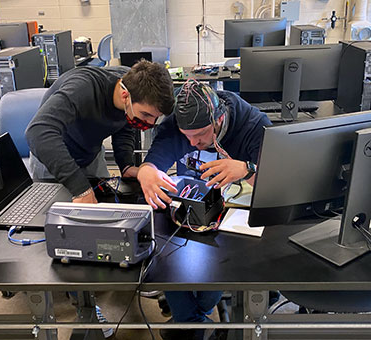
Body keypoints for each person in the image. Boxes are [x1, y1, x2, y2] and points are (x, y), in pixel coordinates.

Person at [137, 80, 271, 339]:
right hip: (190, 213)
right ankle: (193, 325)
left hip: (234, 216)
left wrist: (246, 169)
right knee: (169, 261)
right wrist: (147, 174)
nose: (194, 142)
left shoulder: (253, 124)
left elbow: (277, 180)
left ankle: (188, 326)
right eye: (188, 137)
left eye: (201, 135)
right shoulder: (175, 127)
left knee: (210, 282)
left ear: (219, 119)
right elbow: (152, 164)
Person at [26, 60, 175, 204]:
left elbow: (123, 127)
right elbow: (38, 131)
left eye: (155, 118)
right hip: (54, 158)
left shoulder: (132, 86)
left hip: (90, 156)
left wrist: (126, 165)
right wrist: (81, 189)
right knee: (58, 220)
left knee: (103, 208)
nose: (150, 123)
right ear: (125, 97)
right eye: (146, 115)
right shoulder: (82, 87)